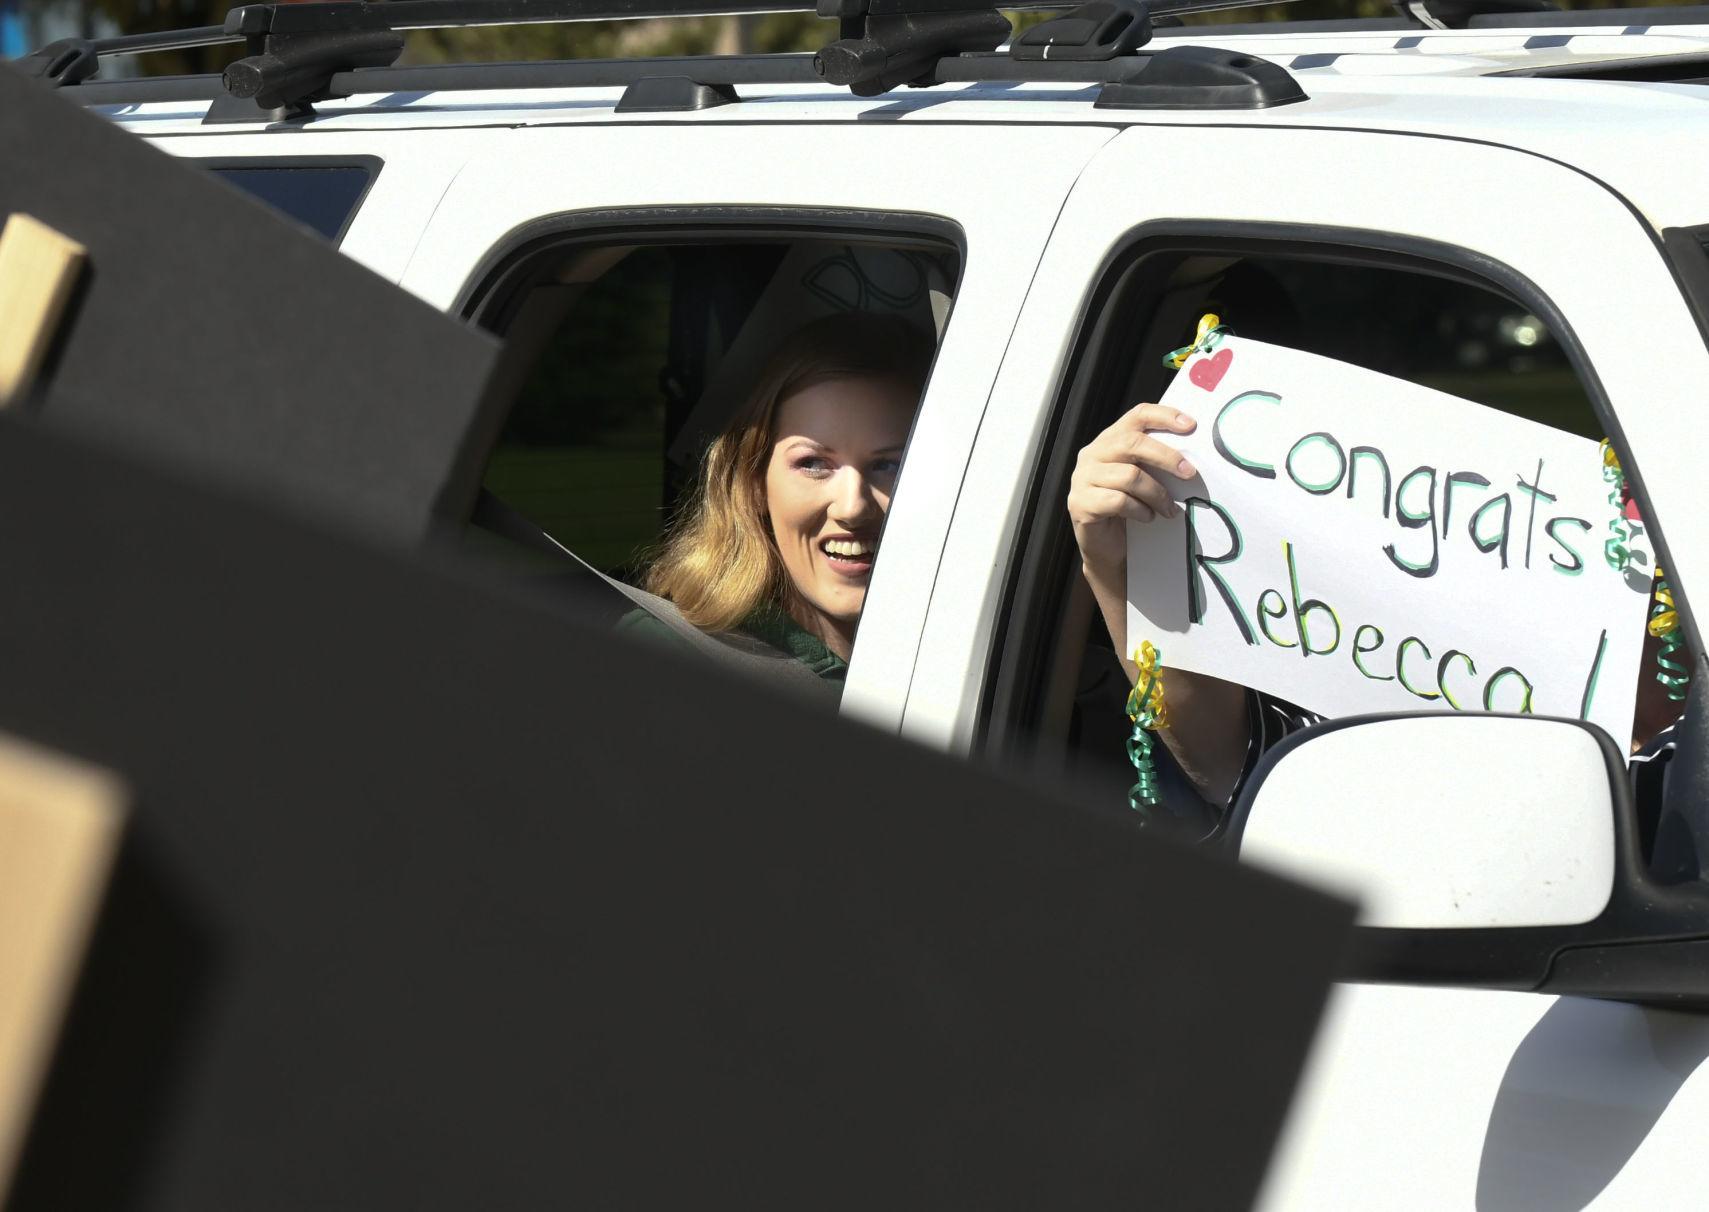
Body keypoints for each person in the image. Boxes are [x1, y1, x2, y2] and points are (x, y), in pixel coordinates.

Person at [623, 312, 932, 698]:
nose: (853, 507)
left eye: (890, 465)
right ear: (754, 483)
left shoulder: (981, 654)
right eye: (814, 464)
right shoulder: (667, 660)